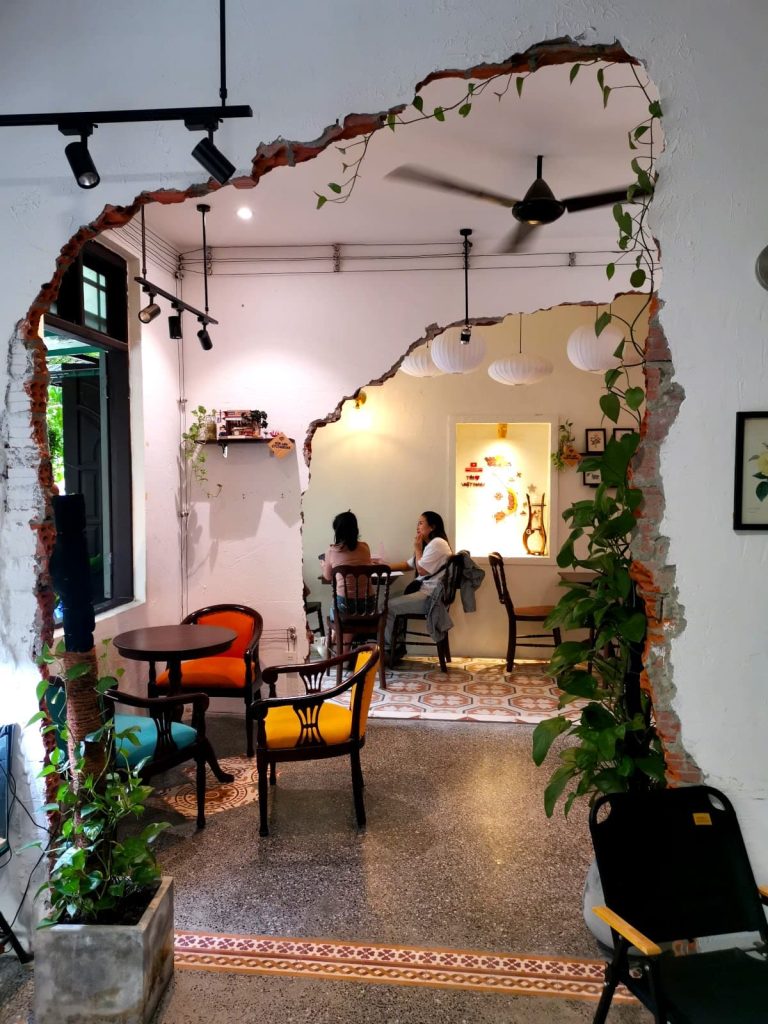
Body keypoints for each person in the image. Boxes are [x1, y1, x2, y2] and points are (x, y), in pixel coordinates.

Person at [384, 511, 453, 654]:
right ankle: (397, 646)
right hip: (426, 593)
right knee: (386, 601)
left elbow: (421, 570)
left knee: (388, 606)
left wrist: (417, 549)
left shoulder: (437, 543)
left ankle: (389, 648)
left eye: (421, 523)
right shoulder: (431, 544)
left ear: (432, 527)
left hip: (431, 598)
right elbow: (408, 565)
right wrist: (381, 567)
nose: (417, 527)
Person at [322, 511, 374, 617]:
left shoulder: (331, 551)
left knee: (335, 605)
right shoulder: (365, 547)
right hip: (368, 604)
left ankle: (336, 631)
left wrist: (323, 565)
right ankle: (346, 632)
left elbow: (327, 577)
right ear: (356, 529)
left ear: (337, 532)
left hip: (345, 604)